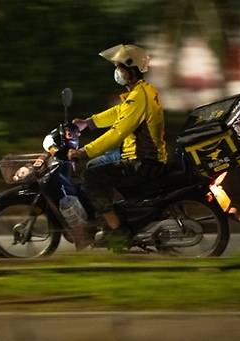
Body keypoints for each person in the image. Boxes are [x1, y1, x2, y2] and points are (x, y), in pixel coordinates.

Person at [68, 44, 168, 244]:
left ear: (131, 70)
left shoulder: (139, 97)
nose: (117, 72)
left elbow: (118, 132)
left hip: (142, 162)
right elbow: (118, 113)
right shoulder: (142, 91)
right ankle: (113, 214)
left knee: (90, 175)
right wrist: (87, 123)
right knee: (95, 166)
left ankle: (117, 229)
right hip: (142, 157)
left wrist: (84, 151)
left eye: (119, 67)